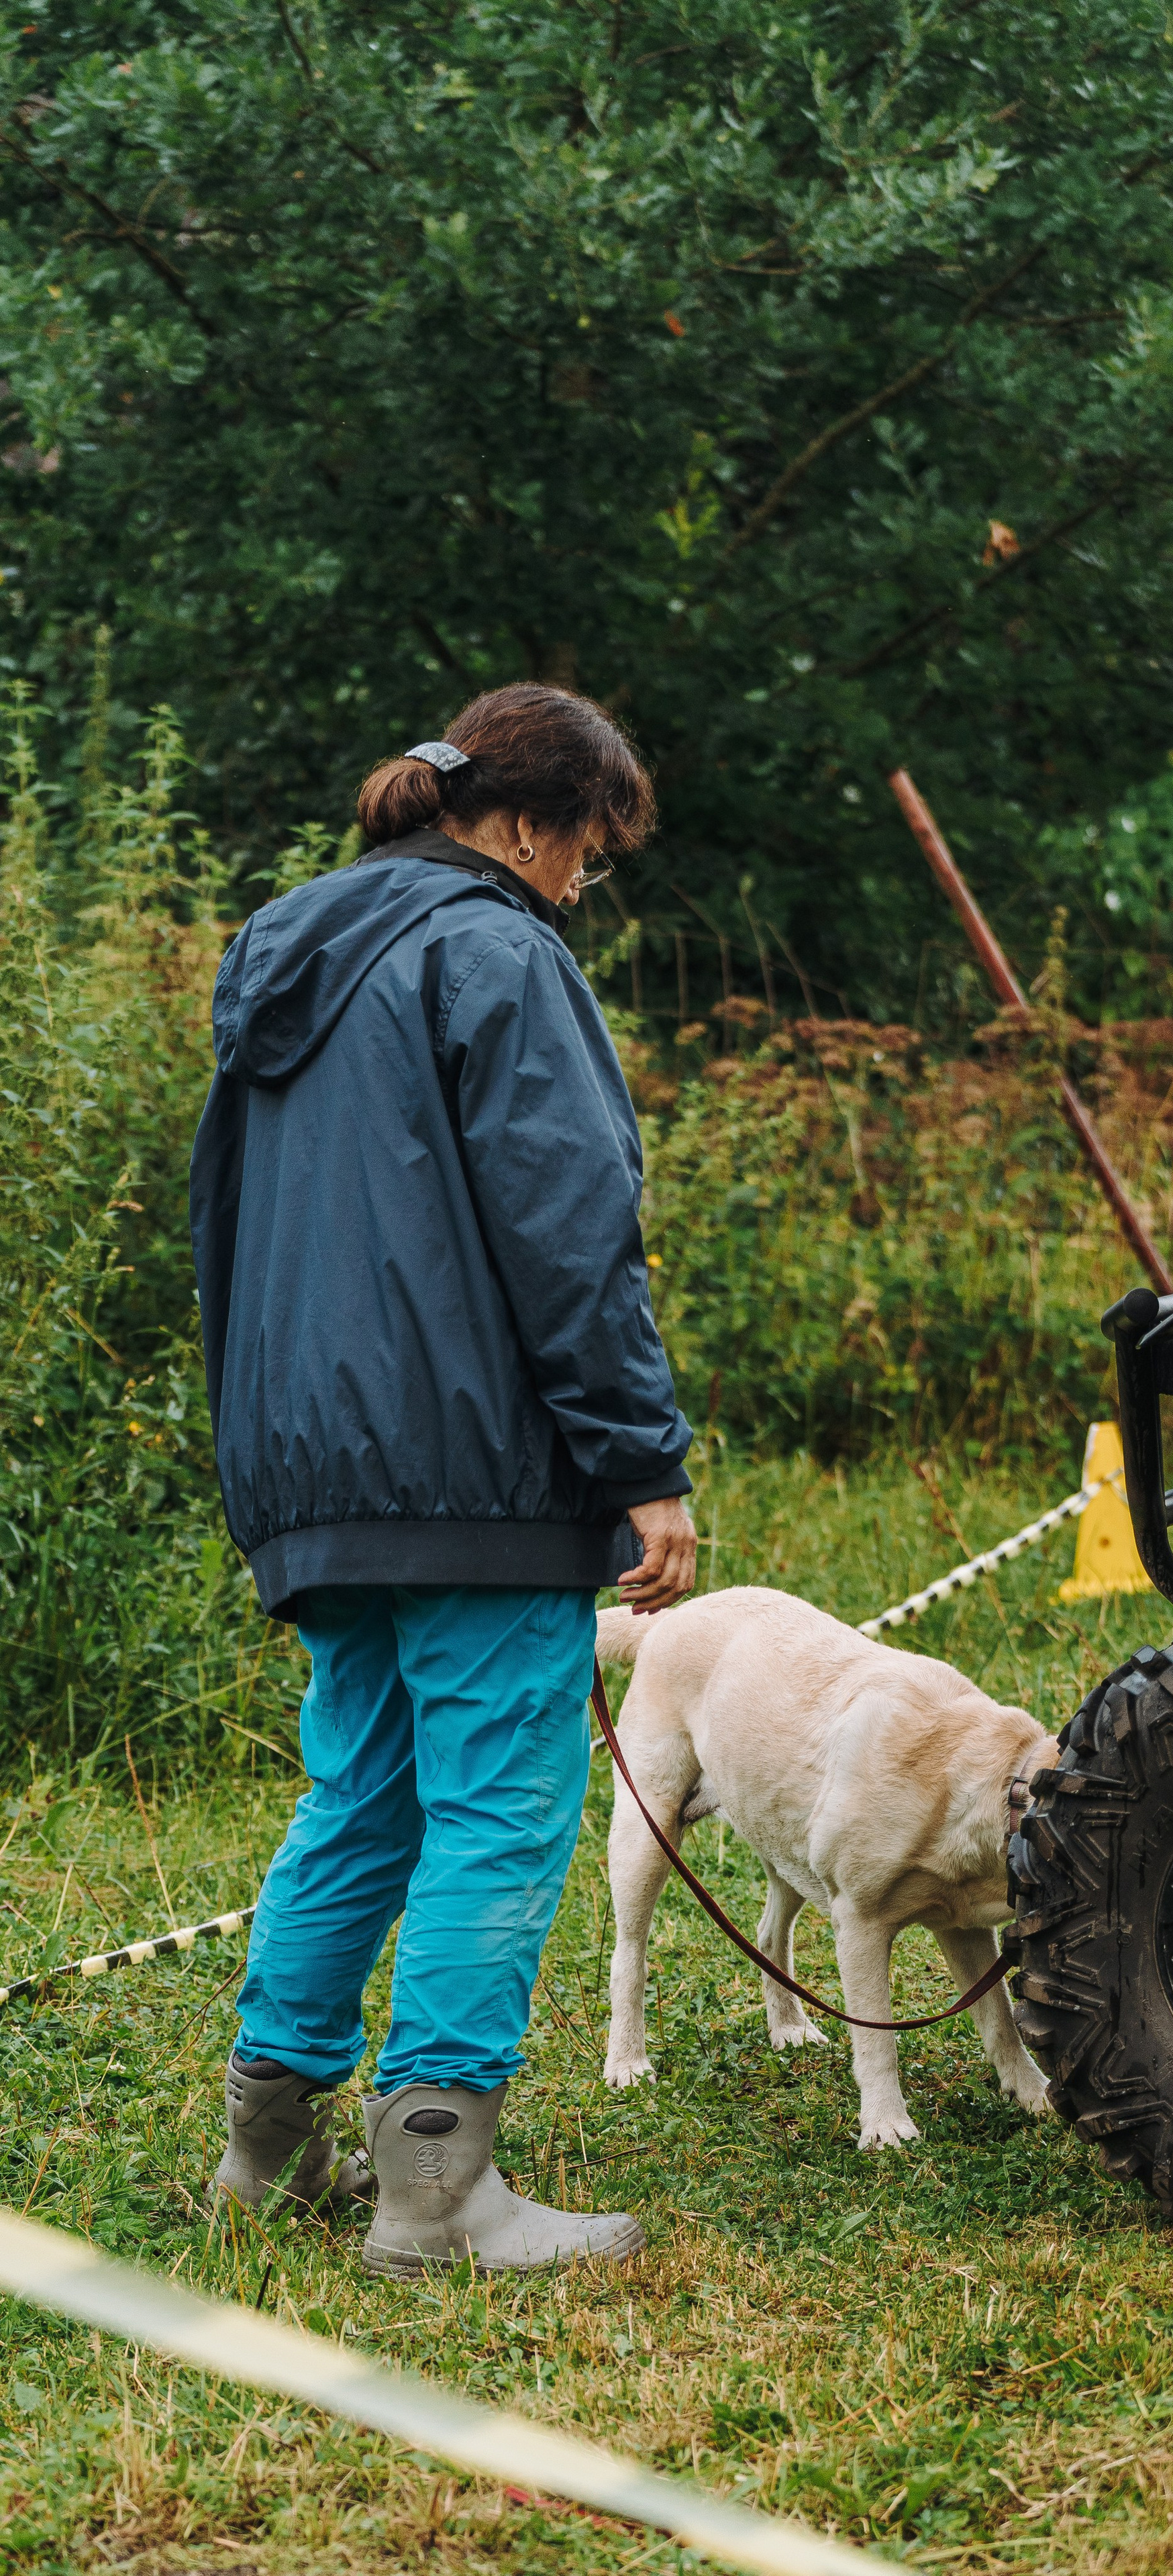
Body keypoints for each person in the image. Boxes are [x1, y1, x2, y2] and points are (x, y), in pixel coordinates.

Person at [189, 683, 697, 2277]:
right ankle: (434, 2198)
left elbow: (222, 1226)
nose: (581, 887)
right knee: (498, 1807)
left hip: (312, 1463)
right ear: (534, 825)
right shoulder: (497, 955)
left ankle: (257, 2164)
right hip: (471, 1461)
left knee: (362, 1797)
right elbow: (570, 1234)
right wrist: (640, 1464)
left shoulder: (287, 953)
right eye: (588, 853)